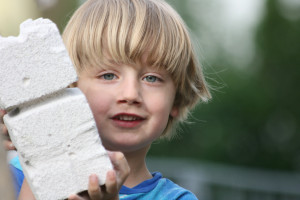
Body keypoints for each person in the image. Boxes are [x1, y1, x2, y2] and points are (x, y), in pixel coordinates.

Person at [1, 0, 211, 199]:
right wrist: (41, 158)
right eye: (108, 76)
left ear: (176, 99)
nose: (130, 95)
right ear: (69, 88)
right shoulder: (12, 177)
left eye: (151, 78)